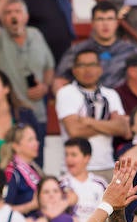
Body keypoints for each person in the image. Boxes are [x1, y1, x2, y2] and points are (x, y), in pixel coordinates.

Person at [0, 0, 56, 132]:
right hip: (9, 117)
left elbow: (49, 67)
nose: (13, 16)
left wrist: (44, 87)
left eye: (17, 12)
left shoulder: (36, 34)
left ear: (26, 16)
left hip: (37, 114)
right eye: (8, 13)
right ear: (2, 19)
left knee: (37, 154)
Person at [55, 48, 129, 180]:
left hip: (106, 166)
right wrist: (109, 126)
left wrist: (90, 121)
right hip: (75, 169)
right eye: (82, 65)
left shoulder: (111, 94)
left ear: (100, 69)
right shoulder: (66, 93)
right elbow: (74, 132)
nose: (88, 70)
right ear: (74, 69)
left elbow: (122, 128)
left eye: (92, 65)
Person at [54, 1, 137, 91]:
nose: (105, 24)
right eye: (100, 19)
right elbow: (59, 80)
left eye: (110, 19)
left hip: (121, 101)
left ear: (117, 23)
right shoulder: (77, 50)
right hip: (86, 101)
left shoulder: (130, 51)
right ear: (92, 23)